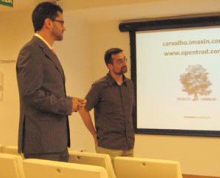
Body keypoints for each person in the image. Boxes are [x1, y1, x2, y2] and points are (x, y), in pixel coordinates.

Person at [16, 2, 85, 162]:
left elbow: (47, 91)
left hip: (54, 142)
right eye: (61, 22)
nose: (64, 27)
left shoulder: (45, 51)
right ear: (48, 23)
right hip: (42, 144)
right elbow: (32, 95)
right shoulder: (32, 51)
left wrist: (70, 101)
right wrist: (66, 105)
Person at [79, 48, 135, 163]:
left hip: (128, 145)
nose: (124, 64)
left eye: (125, 59)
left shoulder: (129, 84)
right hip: (108, 146)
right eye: (120, 61)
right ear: (110, 66)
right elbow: (83, 109)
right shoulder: (99, 86)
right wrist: (94, 134)